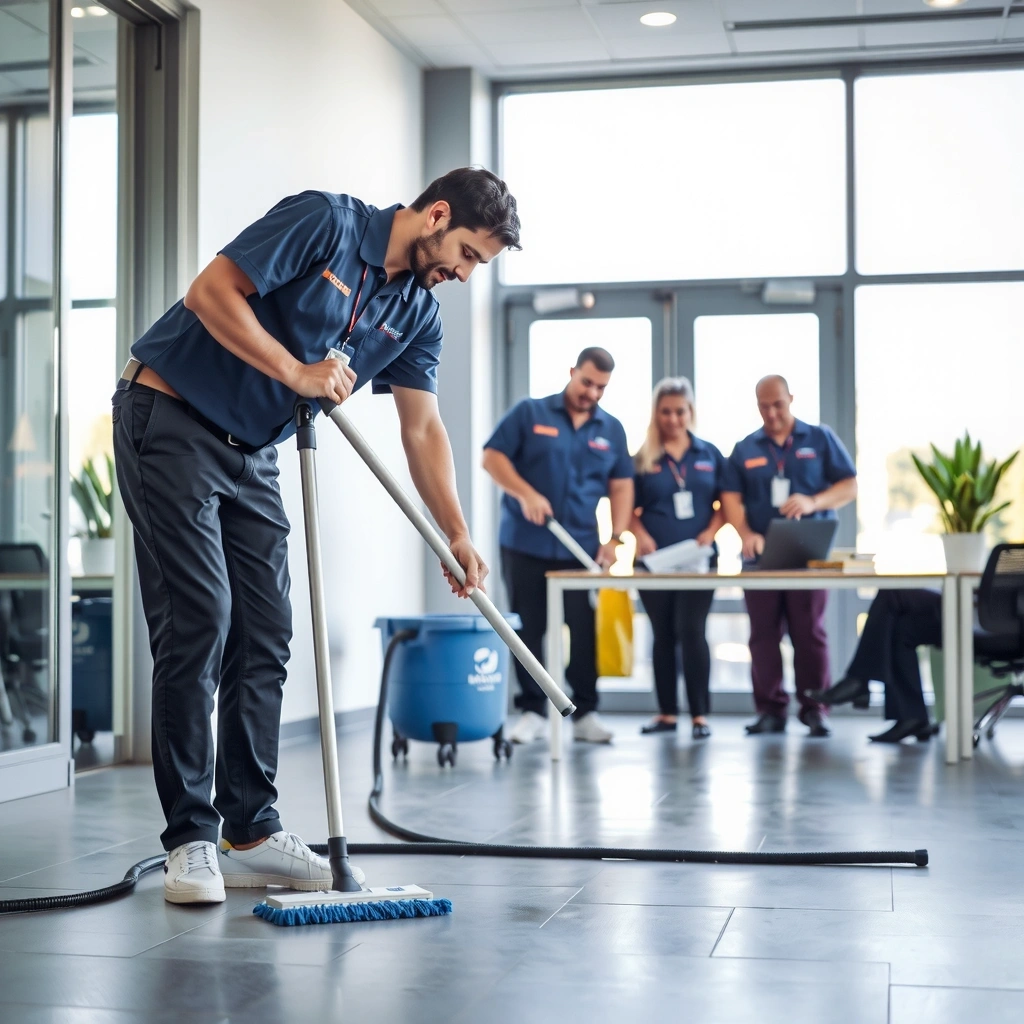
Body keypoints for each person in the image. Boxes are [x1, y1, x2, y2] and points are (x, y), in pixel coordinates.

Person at [113, 168, 519, 904]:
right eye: (469, 254)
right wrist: (295, 371)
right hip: (168, 416)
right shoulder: (325, 222)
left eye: (478, 266)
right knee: (199, 619)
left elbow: (422, 427)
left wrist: (453, 533)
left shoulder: (415, 312)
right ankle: (190, 841)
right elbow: (212, 294)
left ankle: (251, 832)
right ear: (435, 215)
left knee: (266, 631)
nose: (464, 273)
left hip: (251, 450)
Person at [482, 347, 634, 745]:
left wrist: (615, 538)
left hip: (580, 548)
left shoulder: (611, 429)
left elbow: (621, 486)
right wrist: (525, 493)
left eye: (601, 387)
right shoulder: (530, 413)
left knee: (583, 629)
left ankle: (585, 713)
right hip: (525, 542)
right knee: (528, 629)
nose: (592, 393)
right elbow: (492, 458)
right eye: (586, 382)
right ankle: (531, 710)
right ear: (572, 372)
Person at [720, 374, 857, 738]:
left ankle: (814, 708)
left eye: (778, 404)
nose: (771, 412)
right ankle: (770, 709)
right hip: (760, 559)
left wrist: (814, 501)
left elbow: (849, 486)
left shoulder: (820, 438)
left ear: (791, 399)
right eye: (764, 406)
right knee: (763, 635)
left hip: (808, 556)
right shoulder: (745, 448)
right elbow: (731, 499)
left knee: (809, 634)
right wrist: (746, 534)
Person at [630, 377, 725, 740]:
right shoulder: (642, 459)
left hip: (699, 562)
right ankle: (667, 713)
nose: (672, 419)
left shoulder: (709, 454)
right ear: (656, 414)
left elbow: (726, 505)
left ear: (690, 412)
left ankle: (699, 715)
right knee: (663, 634)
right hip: (654, 564)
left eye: (679, 411)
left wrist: (711, 532)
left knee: (692, 630)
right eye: (665, 412)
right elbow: (628, 507)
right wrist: (640, 535)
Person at [808, 589, 940, 743]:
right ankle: (912, 717)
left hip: (971, 613)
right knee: (900, 626)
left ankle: (858, 681)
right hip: (962, 605)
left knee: (891, 594)